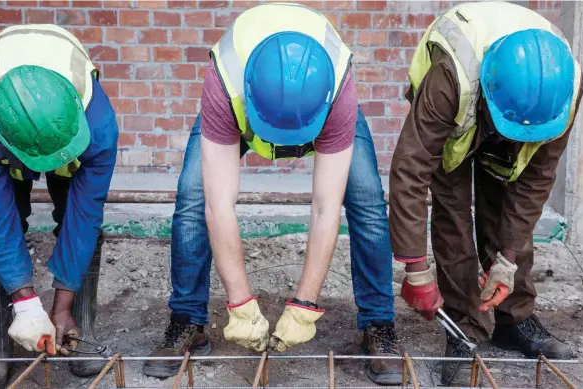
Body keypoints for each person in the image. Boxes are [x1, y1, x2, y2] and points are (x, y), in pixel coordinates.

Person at [144, 3, 400, 385]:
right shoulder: (226, 79)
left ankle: (379, 323)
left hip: (318, 105)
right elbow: (219, 205)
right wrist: (241, 303)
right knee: (194, 196)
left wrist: (304, 305)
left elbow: (325, 208)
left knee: (365, 198)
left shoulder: (337, 89)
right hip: (241, 106)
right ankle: (186, 319)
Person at [388, 1, 583, 385]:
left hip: (513, 104)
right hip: (454, 112)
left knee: (509, 203)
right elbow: (410, 171)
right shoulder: (449, 79)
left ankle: (515, 319)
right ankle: (464, 330)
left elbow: (536, 180)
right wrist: (416, 269)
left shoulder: (564, 88)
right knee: (453, 213)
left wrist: (506, 262)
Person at [0, 24, 118, 388]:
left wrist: (60, 304)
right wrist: (26, 303)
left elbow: (84, 216)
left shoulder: (99, 126)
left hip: (67, 132)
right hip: (3, 139)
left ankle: (77, 320)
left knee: (77, 217)